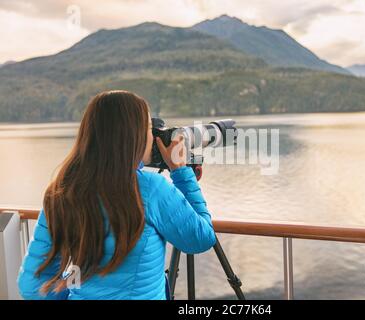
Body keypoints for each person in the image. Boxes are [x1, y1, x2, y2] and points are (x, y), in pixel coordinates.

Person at [17, 90, 216, 300]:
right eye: (149, 128)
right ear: (134, 136)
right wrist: (181, 172)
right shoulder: (151, 188)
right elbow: (201, 239)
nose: (153, 135)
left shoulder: (61, 191)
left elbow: (31, 286)